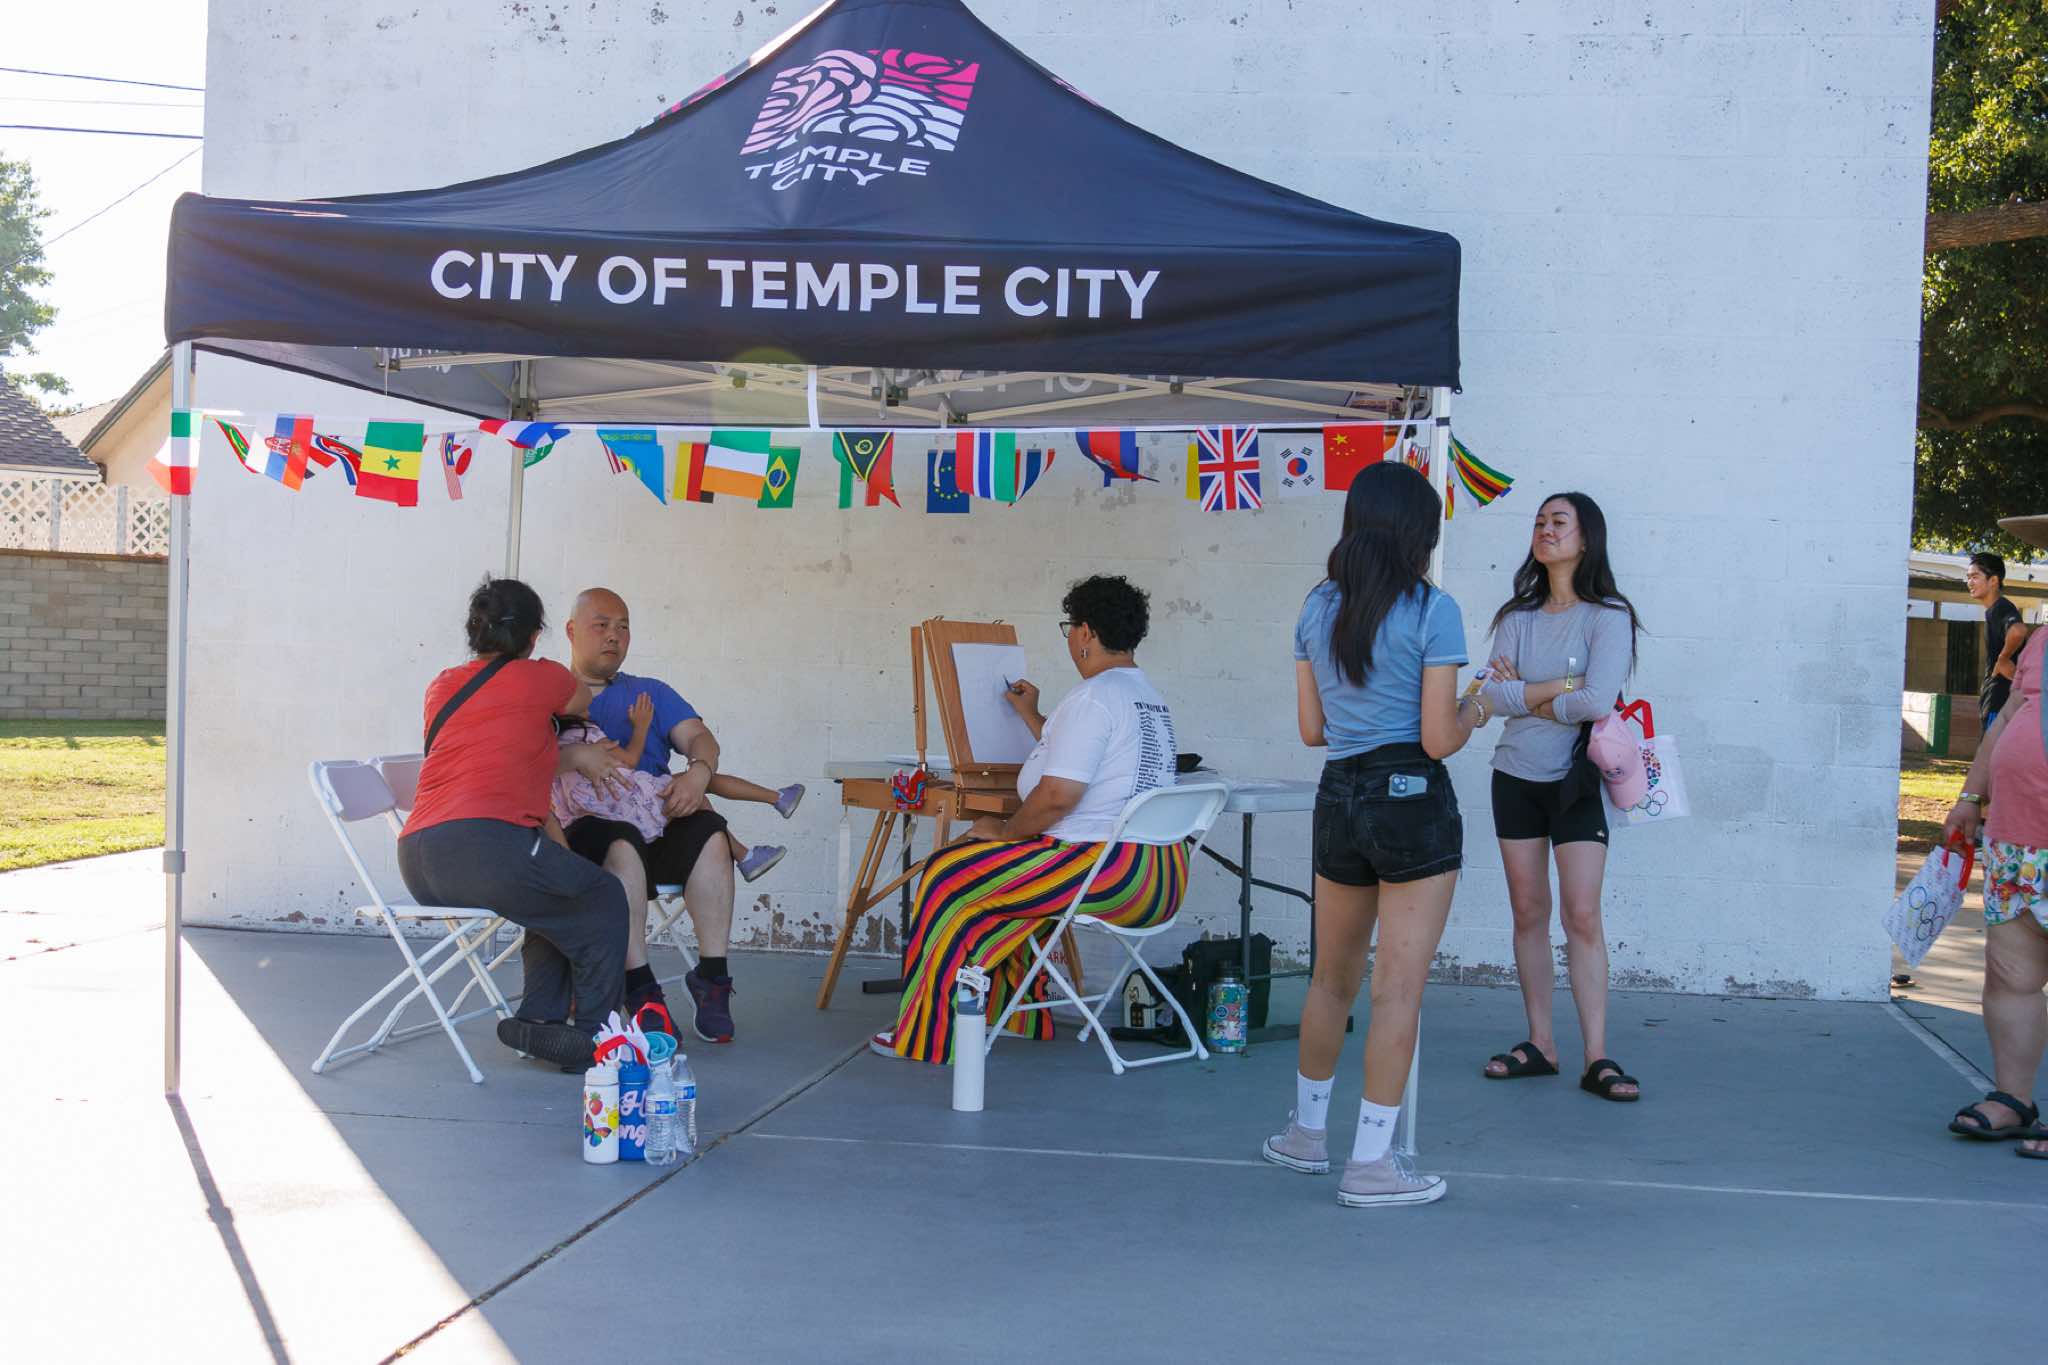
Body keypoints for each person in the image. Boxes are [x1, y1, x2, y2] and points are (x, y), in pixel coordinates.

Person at [1261, 462, 1482, 1209]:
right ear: (1419, 532)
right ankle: (1372, 1164)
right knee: (1397, 990)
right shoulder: (1433, 609)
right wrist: (1479, 706)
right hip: (1410, 795)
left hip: (1340, 793)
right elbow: (1438, 737)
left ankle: (1305, 1135)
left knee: (1331, 979)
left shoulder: (1317, 605)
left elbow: (1311, 729)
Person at [869, 575, 1187, 1064]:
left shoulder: (1094, 698)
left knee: (946, 876)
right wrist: (1032, 716)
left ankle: (926, 1036)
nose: (1069, 639)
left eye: (1070, 628)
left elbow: (1058, 796)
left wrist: (1006, 830)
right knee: (1003, 876)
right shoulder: (1145, 697)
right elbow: (1079, 760)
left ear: (1085, 632)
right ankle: (1016, 1016)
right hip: (1159, 876)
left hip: (1105, 871)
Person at [396, 578, 632, 1070]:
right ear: (535, 635)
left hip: (418, 858)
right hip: (486, 849)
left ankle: (539, 1020)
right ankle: (597, 1037)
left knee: (554, 899)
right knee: (604, 895)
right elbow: (579, 703)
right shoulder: (542, 677)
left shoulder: (442, 685)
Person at [559, 587, 798, 1044]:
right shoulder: (550, 691)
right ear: (571, 631)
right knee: (619, 840)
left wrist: (699, 774)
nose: (614, 636)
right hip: (588, 838)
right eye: (601, 625)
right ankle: (640, 989)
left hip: (655, 818)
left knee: (709, 831)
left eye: (623, 626)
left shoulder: (649, 692)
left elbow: (700, 738)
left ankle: (712, 976)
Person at [1475, 492, 1644, 1102]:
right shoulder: (1516, 618)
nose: (1545, 530)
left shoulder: (1609, 617)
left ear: (1586, 538)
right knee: (1528, 912)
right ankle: (1541, 1044)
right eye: (1540, 522)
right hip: (1514, 777)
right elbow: (1489, 697)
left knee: (1582, 916)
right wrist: (1560, 686)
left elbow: (1597, 701)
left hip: (1575, 781)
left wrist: (1529, 692)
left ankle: (1597, 1057)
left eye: (1559, 522)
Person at [1942, 514, 2048, 1162]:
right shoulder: (2039, 638)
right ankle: (2014, 1099)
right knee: (2011, 972)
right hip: (2017, 837)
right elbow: (2008, 716)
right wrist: (1970, 796)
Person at [552, 706, 795, 884]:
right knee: (699, 786)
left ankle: (749, 850)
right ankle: (774, 803)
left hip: (600, 824)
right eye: (584, 707)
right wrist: (641, 727)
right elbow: (629, 760)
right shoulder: (583, 733)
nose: (591, 710)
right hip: (631, 805)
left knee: (693, 789)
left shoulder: (548, 748)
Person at [1966, 551, 2026, 732]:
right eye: (1968, 577)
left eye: (1975, 577)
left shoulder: (2001, 608)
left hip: (2000, 701)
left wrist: (2003, 658)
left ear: (1993, 580)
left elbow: (2018, 630)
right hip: (1997, 701)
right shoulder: (1994, 610)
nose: (1969, 582)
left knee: (1990, 748)